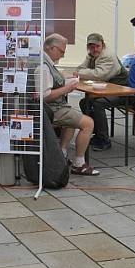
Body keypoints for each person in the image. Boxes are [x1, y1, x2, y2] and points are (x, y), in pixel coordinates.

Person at [40, 34, 98, 174]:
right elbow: (44, 96)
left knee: (73, 118)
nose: (63, 55)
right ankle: (79, 163)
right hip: (50, 109)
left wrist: (66, 82)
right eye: (62, 51)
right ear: (52, 48)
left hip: (54, 107)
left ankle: (61, 155)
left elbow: (50, 85)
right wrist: (67, 88)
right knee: (88, 123)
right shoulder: (43, 67)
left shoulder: (45, 62)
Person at [75, 33, 129, 150]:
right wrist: (81, 72)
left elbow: (99, 75)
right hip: (109, 89)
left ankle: (104, 139)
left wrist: (80, 73)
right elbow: (80, 69)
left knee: (97, 103)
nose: (94, 49)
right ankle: (96, 133)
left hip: (122, 91)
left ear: (102, 45)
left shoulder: (107, 56)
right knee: (84, 102)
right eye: (91, 46)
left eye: (97, 46)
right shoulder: (92, 55)